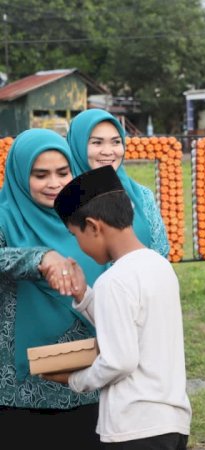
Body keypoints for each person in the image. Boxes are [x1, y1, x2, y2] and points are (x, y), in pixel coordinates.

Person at [46, 165, 191, 448]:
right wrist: (84, 296)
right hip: (170, 422)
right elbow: (129, 325)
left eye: (76, 235)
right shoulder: (158, 265)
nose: (79, 246)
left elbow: (119, 360)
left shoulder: (114, 280)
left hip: (134, 428)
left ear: (93, 226)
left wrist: (75, 380)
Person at [0, 128, 105, 448]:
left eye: (63, 172)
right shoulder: (5, 218)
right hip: (23, 390)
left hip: (89, 379)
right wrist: (40, 257)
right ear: (20, 175)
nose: (54, 183)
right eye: (40, 174)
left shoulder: (88, 218)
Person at [66, 108, 169, 257]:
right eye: (97, 142)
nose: (108, 151)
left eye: (116, 142)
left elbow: (161, 252)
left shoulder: (142, 196)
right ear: (77, 146)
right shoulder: (60, 200)